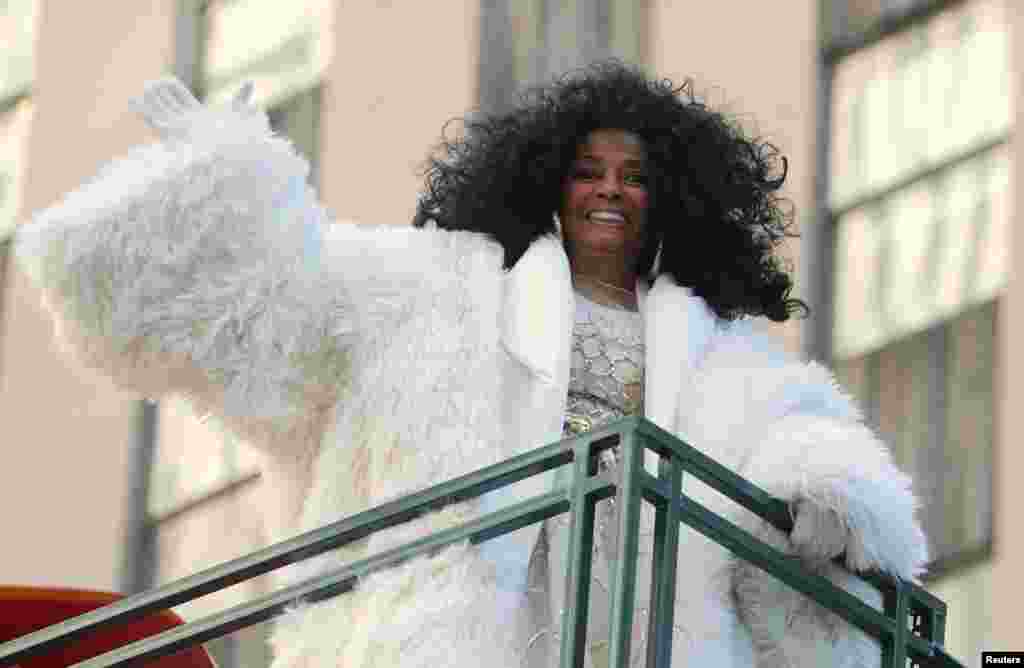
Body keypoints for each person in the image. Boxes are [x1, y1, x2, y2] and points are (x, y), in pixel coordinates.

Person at [13, 61, 927, 667]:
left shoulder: (737, 368)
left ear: (674, 200)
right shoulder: (430, 292)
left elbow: (811, 453)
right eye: (586, 169)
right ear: (545, 184)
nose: (610, 188)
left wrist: (832, 485)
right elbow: (258, 317)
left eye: (636, 174)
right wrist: (219, 182)